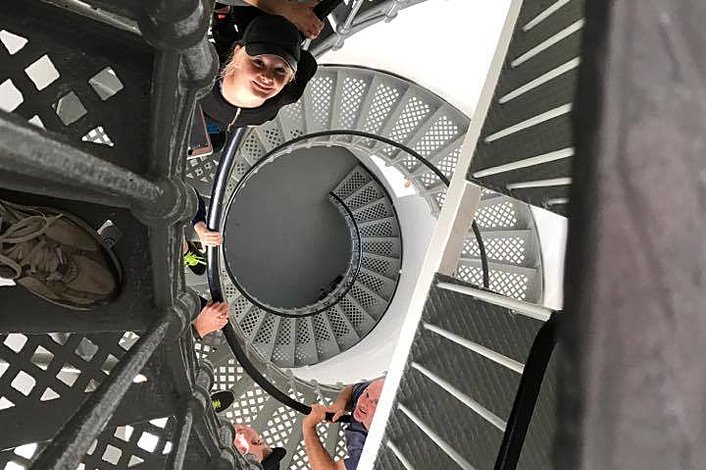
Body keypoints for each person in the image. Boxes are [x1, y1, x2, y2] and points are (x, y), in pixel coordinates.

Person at [199, 2, 320, 146]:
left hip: (208, 114)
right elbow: (308, 64)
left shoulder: (202, 77)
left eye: (280, 70)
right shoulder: (288, 94)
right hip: (243, 30)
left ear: (289, 78)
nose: (267, 77)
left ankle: (223, 14)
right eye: (258, 62)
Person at [303, 378, 385, 470]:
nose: (363, 403)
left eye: (376, 402)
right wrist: (341, 403)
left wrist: (308, 427)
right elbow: (351, 389)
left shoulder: (373, 454)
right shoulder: (377, 390)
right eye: (366, 394)